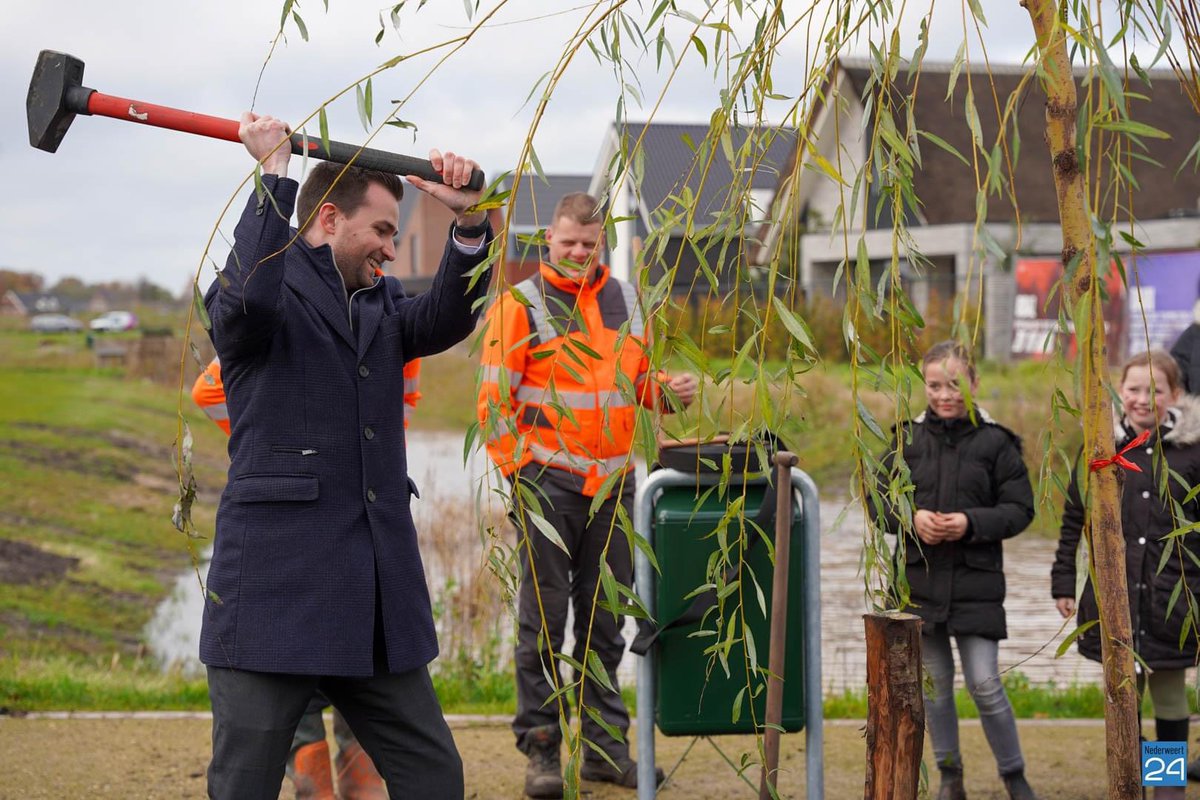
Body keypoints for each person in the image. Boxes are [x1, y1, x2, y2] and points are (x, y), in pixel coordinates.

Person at [201, 110, 492, 799]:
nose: (392, 250)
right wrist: (274, 175)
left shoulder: (383, 304)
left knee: (433, 777)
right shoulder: (257, 295)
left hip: (372, 603)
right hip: (273, 598)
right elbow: (245, 302)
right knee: (242, 785)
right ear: (328, 219)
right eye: (383, 231)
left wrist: (468, 222)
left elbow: (450, 314)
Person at [477, 192, 697, 798]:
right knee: (544, 625)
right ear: (549, 237)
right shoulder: (519, 306)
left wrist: (666, 391)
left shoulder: (626, 299)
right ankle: (543, 750)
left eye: (589, 244)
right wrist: (521, 475)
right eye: (569, 242)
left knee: (605, 624)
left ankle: (603, 749)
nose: (578, 253)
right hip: (547, 486)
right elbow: (493, 406)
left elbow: (634, 382)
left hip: (615, 488)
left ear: (604, 243)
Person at [193, 350, 420, 799]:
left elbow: (398, 404)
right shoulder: (297, 310)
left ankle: (337, 777)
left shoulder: (380, 316)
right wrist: (277, 444)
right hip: (336, 503)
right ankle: (333, 776)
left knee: (329, 641)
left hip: (330, 503)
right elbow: (209, 391)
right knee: (337, 640)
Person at [874, 340, 1038, 800]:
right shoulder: (906, 439)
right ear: (923, 385)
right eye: (934, 385)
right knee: (935, 690)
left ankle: (1014, 775)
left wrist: (970, 523)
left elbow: (1021, 509)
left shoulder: (996, 442)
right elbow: (877, 502)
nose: (945, 394)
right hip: (920, 583)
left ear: (974, 383)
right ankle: (950, 776)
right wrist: (910, 518)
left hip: (976, 585)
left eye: (955, 384)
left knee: (985, 684)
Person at [1052, 350, 1200, 800]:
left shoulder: (1191, 452)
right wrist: (1063, 580)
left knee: (1170, 694)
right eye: (1133, 389)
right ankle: (1133, 771)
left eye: (1154, 390)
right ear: (1120, 390)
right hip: (1114, 596)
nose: (1141, 399)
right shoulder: (1101, 448)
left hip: (1172, 595)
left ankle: (1167, 783)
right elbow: (1074, 519)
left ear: (1173, 394)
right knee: (1123, 694)